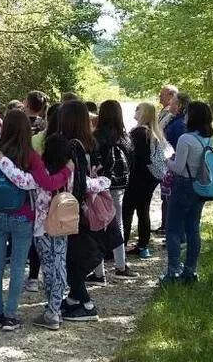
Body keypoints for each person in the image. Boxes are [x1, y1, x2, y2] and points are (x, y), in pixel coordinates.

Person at [0, 110, 61, 331]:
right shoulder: (31, 156)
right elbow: (40, 182)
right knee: (18, 267)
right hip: (22, 216)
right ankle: (10, 315)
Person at [58, 100, 122, 322]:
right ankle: (75, 299)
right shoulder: (91, 143)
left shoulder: (71, 145)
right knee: (76, 256)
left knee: (73, 259)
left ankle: (86, 304)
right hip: (90, 209)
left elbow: (78, 182)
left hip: (78, 210)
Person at [160, 101, 213, 285]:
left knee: (173, 229)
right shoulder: (208, 138)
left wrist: (166, 159)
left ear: (193, 117)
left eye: (187, 113)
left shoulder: (186, 139)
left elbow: (178, 167)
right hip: (200, 186)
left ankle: (173, 272)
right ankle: (190, 271)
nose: (184, 115)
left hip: (183, 184)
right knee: (193, 228)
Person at [92, 100, 139, 282]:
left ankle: (98, 271)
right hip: (119, 186)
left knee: (98, 225)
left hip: (100, 186)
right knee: (117, 224)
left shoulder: (96, 137)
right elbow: (132, 164)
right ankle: (121, 265)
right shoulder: (125, 137)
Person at [124, 103, 165, 259]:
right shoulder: (155, 132)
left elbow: (139, 156)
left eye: (138, 109)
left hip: (137, 177)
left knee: (127, 211)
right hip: (150, 177)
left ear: (144, 113)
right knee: (143, 211)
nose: (135, 111)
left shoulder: (140, 132)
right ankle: (143, 246)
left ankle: (122, 245)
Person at [159, 92, 190, 235]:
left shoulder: (180, 124)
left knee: (174, 203)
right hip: (171, 167)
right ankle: (171, 229)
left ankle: (177, 235)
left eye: (173, 101)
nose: (170, 103)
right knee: (167, 199)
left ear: (180, 106)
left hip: (175, 168)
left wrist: (168, 160)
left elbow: (179, 149)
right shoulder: (173, 119)